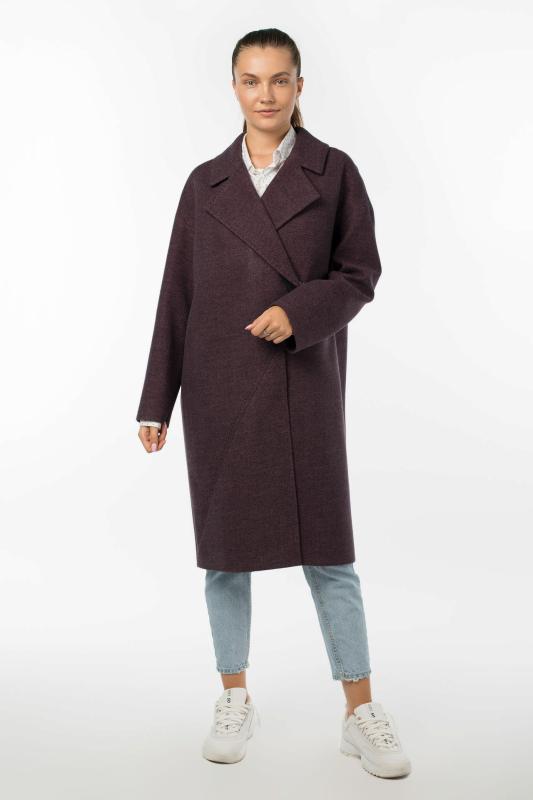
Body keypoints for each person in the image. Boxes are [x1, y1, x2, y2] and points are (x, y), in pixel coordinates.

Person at [135, 28, 411, 778]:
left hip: (303, 382)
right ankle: (234, 696)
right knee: (226, 559)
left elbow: (359, 272)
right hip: (220, 386)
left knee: (330, 554)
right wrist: (156, 400)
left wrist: (299, 312)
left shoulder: (334, 171)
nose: (266, 94)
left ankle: (359, 711)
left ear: (298, 86)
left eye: (279, 80)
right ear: (234, 87)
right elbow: (176, 295)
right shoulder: (205, 184)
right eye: (252, 81)